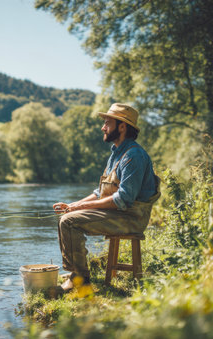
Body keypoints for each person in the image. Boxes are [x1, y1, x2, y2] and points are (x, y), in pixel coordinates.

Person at [53, 103, 160, 291]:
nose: (103, 127)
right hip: (119, 215)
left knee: (69, 222)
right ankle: (75, 274)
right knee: (65, 217)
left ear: (122, 126)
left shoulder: (134, 155)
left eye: (107, 123)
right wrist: (73, 205)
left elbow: (123, 199)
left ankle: (80, 281)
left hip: (131, 218)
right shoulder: (117, 153)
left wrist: (80, 209)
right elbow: (99, 192)